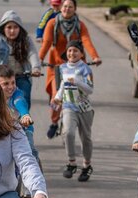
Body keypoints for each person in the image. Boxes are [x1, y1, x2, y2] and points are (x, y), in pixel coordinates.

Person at [39, 0, 101, 139]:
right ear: (61, 8)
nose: (67, 9)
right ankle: (54, 122)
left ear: (75, 9)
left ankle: (79, 120)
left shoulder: (80, 25)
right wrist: (39, 60)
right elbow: (47, 43)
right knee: (56, 94)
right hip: (57, 66)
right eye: (65, 6)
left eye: (70, 7)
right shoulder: (52, 24)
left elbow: (86, 40)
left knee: (78, 94)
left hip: (77, 66)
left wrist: (95, 56)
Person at [51, 40, 94, 181]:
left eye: (75, 50)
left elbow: (90, 90)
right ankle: (71, 162)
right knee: (68, 133)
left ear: (81, 53)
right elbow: (63, 85)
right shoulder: (62, 68)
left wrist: (77, 82)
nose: (72, 53)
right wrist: (57, 98)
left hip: (85, 109)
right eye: (69, 50)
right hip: (69, 107)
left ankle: (86, 165)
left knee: (85, 138)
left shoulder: (86, 69)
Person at [0, 10, 41, 111]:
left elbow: (32, 54)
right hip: (3, 78)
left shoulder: (26, 40)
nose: (12, 30)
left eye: (15, 27)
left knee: (23, 100)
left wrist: (36, 68)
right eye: (9, 27)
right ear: (3, 28)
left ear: (20, 29)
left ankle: (24, 121)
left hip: (22, 76)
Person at [0, 64, 38, 160]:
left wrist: (25, 115)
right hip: (2, 128)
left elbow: (19, 102)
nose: (11, 87)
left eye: (13, 82)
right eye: (5, 84)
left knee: (30, 150)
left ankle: (36, 169)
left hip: (23, 127)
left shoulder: (17, 94)